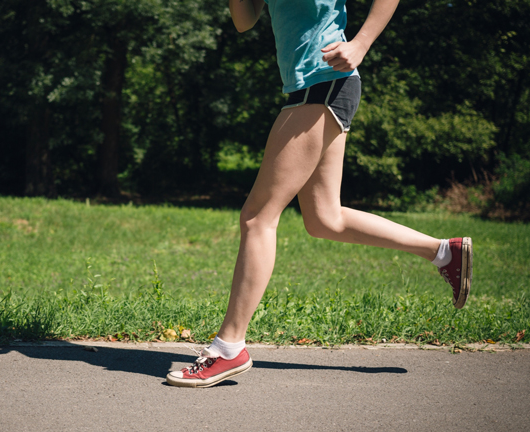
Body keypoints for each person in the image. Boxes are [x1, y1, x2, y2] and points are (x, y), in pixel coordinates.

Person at [166, 0, 473, 388]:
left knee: (258, 217)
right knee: (325, 218)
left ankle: (229, 348)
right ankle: (444, 252)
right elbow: (245, 20)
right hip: (311, 86)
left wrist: (361, 42)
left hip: (324, 81)